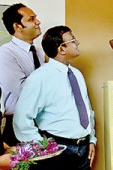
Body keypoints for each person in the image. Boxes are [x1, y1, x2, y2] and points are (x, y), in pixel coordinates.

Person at [13, 26, 96, 170]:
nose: (78, 43)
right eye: (73, 40)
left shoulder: (76, 74)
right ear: (61, 49)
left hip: (83, 150)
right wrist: (42, 147)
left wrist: (91, 140)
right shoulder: (39, 78)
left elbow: (86, 109)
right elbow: (21, 118)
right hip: (57, 149)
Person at [0, 3, 45, 146]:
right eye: (31, 19)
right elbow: (24, 90)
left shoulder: (41, 52)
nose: (38, 22)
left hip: (44, 121)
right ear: (17, 27)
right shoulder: (5, 53)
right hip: (17, 124)